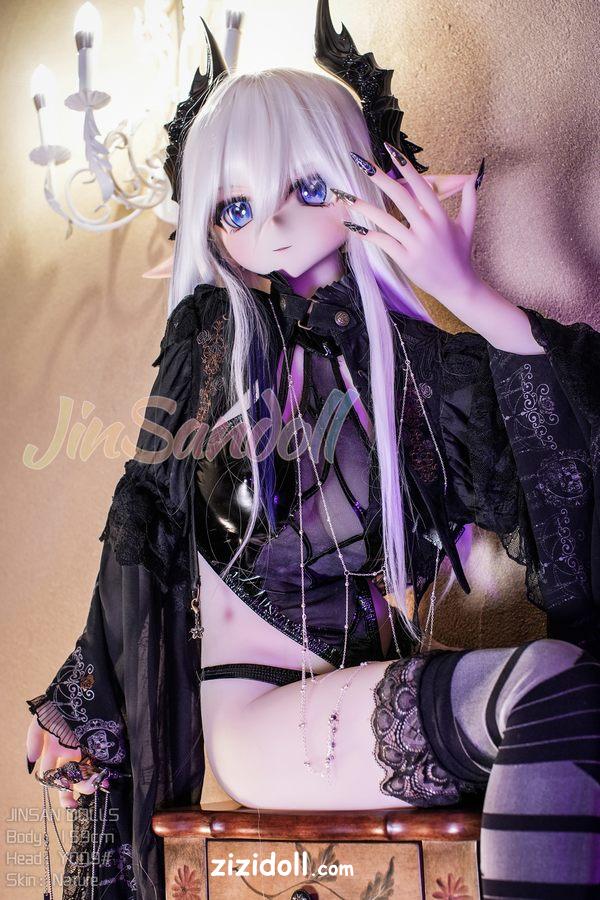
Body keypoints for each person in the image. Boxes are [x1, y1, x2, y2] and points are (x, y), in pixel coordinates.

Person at [25, 5, 600, 899]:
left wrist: (466, 292)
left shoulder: (416, 367)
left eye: (309, 188)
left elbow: (562, 444)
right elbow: (143, 516)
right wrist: (81, 694)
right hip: (257, 719)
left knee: (575, 696)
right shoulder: (213, 340)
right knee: (555, 687)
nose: (274, 224)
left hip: (358, 697)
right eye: (238, 205)